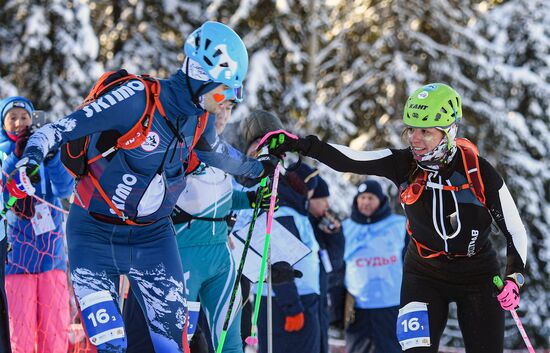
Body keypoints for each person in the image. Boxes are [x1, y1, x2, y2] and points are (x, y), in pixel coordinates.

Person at [7, 21, 275, 353]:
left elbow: (223, 157)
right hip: (93, 233)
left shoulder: (199, 120)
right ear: (197, 74)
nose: (225, 102)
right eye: (222, 91)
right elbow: (58, 130)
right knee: (111, 345)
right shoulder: (136, 98)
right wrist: (28, 160)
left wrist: (262, 169)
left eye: (232, 94)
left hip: (152, 239)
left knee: (172, 347)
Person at [259, 83, 528, 353]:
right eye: (411, 129)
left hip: (477, 274)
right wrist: (300, 144)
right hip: (423, 275)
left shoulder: (478, 172)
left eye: (426, 132)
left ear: (449, 132)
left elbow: (515, 231)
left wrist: (514, 277)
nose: (415, 139)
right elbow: (351, 159)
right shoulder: (403, 164)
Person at [123, 109, 275, 353]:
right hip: (178, 255)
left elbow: (219, 197)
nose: (224, 112)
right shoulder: (180, 145)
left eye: (229, 106)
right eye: (219, 104)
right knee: (170, 341)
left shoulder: (224, 152)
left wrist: (252, 199)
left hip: (219, 257)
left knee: (229, 342)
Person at [0, 96, 73, 353]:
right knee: (19, 335)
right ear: (3, 122)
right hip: (16, 262)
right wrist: (16, 156)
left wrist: (51, 157)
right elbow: (2, 187)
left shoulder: (43, 150)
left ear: (33, 120)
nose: (19, 122)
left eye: (24, 117)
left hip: (51, 256)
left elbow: (65, 189)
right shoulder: (3, 153)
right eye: (13, 117)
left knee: (54, 334)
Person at [256, 163, 321, 353]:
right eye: (312, 189)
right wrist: (292, 308)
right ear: (302, 187)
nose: (311, 195)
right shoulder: (283, 213)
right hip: (288, 304)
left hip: (297, 300)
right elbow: (278, 263)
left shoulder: (293, 212)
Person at [342, 180, 406, 353]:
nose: (366, 202)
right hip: (358, 307)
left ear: (380, 200)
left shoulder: (399, 225)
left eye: (371, 197)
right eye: (362, 197)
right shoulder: (345, 227)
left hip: (391, 305)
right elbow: (337, 267)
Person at [307, 176, 344, 353]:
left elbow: (335, 263)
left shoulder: (322, 224)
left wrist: (335, 235)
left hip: (321, 297)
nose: (327, 205)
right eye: (323, 200)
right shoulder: (304, 223)